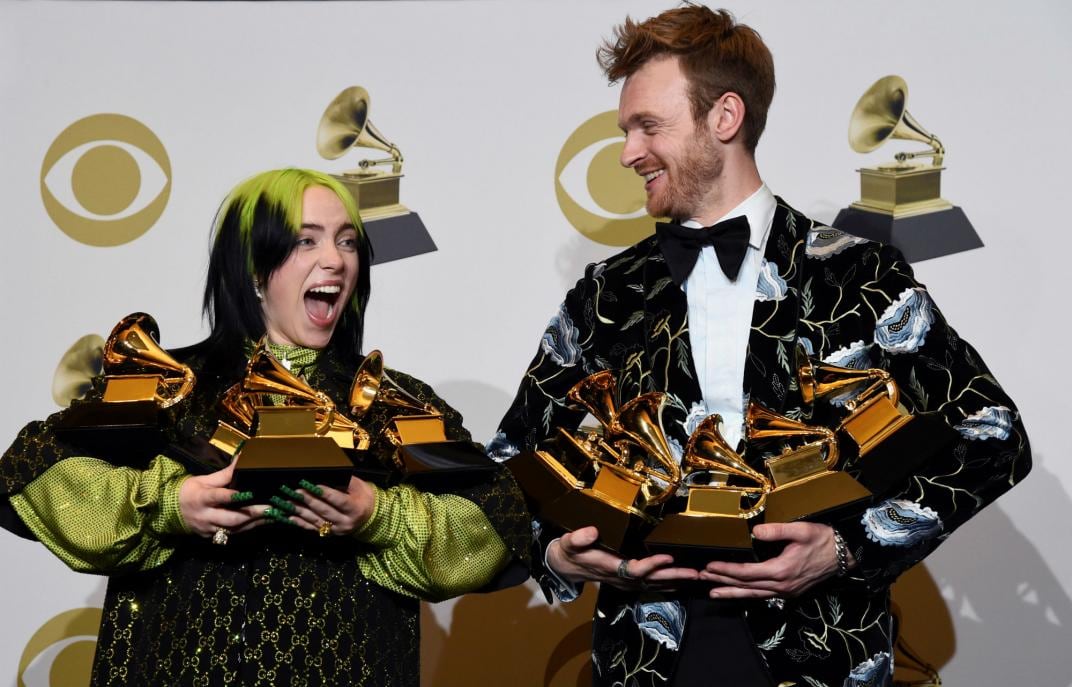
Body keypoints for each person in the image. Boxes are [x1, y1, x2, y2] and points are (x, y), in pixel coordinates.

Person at [490, 6, 1030, 686]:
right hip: (647, 656)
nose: (628, 152)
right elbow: (507, 467)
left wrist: (844, 547)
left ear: (725, 117)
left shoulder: (857, 276)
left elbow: (992, 434)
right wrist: (558, 555)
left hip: (823, 649)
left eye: (647, 126)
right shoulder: (607, 294)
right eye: (626, 129)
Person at [0, 168, 530, 686]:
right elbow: (33, 468)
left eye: (347, 242)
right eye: (306, 242)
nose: (335, 261)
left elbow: (496, 516)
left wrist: (378, 515)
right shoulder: (168, 384)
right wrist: (169, 502)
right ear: (254, 269)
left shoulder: (394, 403)